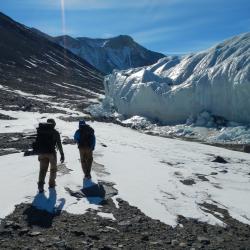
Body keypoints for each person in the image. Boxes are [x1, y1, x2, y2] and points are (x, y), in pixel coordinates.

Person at [34, 118, 65, 192]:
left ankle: (40, 185)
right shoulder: (55, 132)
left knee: (42, 170)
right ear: (54, 124)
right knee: (53, 169)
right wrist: (62, 154)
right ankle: (51, 184)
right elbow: (59, 144)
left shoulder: (41, 131)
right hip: (51, 153)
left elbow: (38, 142)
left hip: (42, 153)